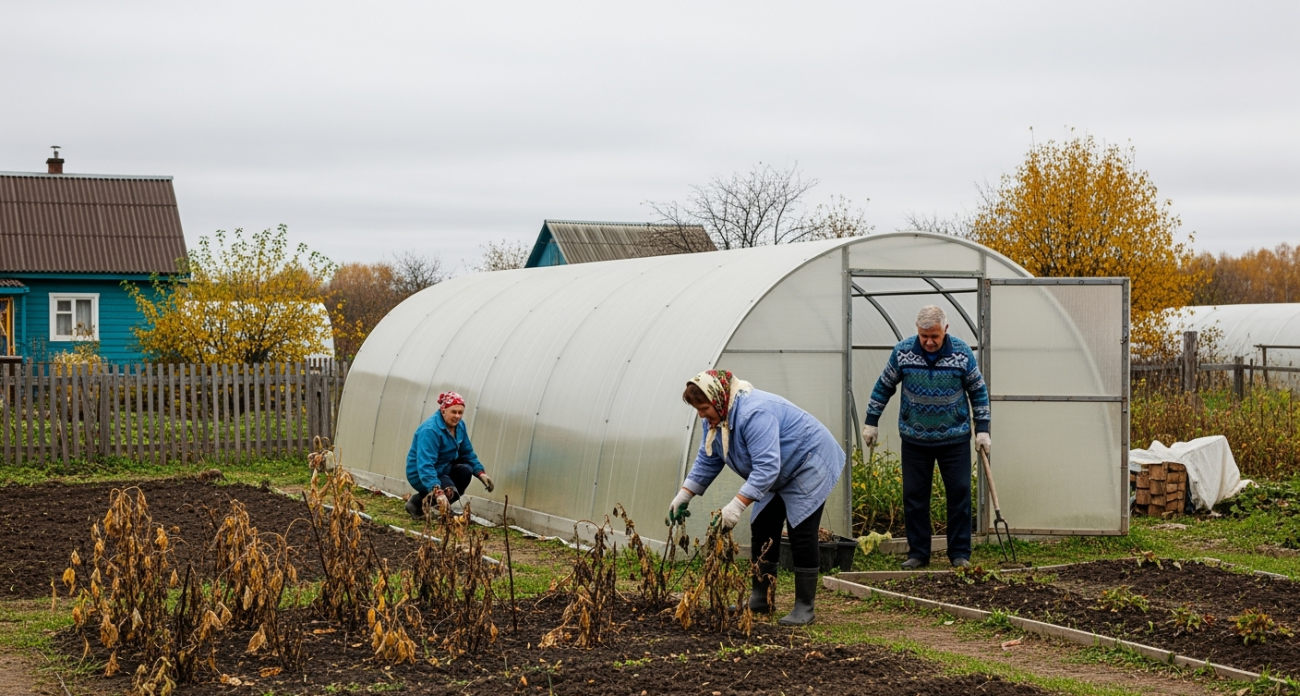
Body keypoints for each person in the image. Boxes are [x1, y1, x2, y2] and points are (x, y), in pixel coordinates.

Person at [667, 370, 844, 626]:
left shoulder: (754, 413)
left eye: (704, 408)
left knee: (801, 532)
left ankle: (805, 607)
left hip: (808, 462)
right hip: (778, 470)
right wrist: (685, 494)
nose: (701, 415)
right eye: (698, 410)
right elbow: (709, 458)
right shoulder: (717, 418)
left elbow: (767, 468)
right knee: (762, 527)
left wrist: (736, 505)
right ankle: (761, 599)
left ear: (718, 400)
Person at [864, 305, 990, 570]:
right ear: (917, 331)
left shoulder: (962, 353)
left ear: (945, 329)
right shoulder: (903, 352)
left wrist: (983, 429)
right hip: (915, 438)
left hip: (954, 438)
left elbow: (977, 391)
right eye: (924, 336)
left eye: (934, 336)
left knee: (959, 493)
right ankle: (918, 553)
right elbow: (884, 385)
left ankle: (959, 554)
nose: (929, 342)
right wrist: (871, 422)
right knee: (914, 496)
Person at [404, 391, 495, 518]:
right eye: (453, 412)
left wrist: (480, 473)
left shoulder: (459, 426)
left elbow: (467, 453)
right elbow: (425, 465)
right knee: (449, 490)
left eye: (460, 412)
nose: (457, 416)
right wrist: (437, 490)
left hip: (443, 468)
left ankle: (422, 502)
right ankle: (420, 505)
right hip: (420, 473)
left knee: (466, 471)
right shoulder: (430, 430)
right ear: (443, 411)